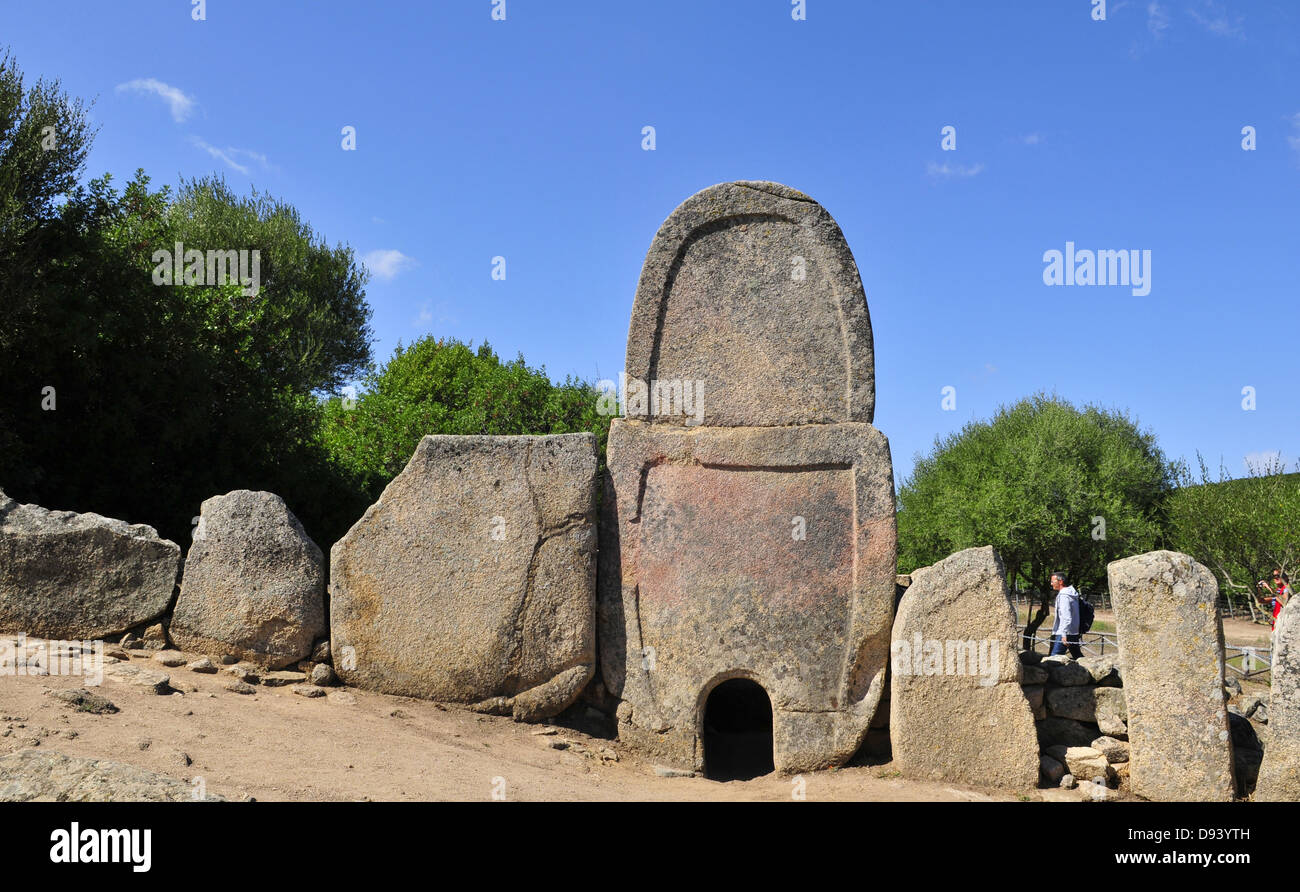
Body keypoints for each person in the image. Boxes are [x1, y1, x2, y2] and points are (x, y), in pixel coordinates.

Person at [1048, 571, 1082, 658]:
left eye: (1053, 581)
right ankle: (1088, 670)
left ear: (1060, 582)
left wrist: (1063, 634)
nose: (1051, 584)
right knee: (1078, 657)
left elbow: (1066, 617)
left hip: (1065, 632)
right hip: (1073, 631)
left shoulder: (1064, 595)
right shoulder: (1072, 593)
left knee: (1054, 659)